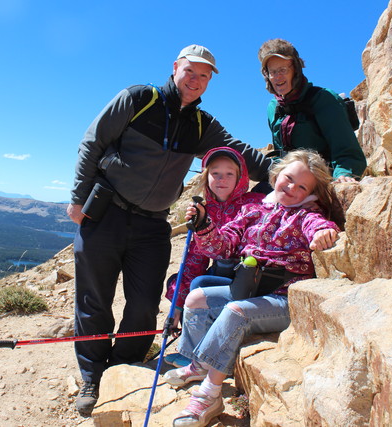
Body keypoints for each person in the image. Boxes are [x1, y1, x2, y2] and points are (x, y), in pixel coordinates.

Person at [67, 44, 272, 417]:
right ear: (175, 68)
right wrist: (79, 199)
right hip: (105, 214)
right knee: (93, 301)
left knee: (144, 306)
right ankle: (92, 377)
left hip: (152, 224)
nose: (195, 80)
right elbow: (92, 143)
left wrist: (283, 174)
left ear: (209, 82)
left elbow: (239, 153)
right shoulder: (138, 99)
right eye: (190, 71)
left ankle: (123, 367)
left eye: (204, 75)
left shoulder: (200, 125)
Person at [164, 149, 340, 427]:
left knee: (236, 311)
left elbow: (317, 224)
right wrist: (204, 225)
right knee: (197, 297)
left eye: (303, 186)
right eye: (288, 178)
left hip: (283, 297)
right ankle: (201, 364)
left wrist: (322, 232)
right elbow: (222, 246)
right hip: (252, 290)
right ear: (275, 176)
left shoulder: (306, 213)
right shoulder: (254, 209)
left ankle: (209, 395)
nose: (292, 187)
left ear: (312, 192)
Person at [163, 147, 264, 368]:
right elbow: (193, 260)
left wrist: (203, 225)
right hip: (227, 275)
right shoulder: (206, 209)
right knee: (197, 282)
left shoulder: (254, 204)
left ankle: (193, 357)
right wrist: (177, 305)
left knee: (200, 284)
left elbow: (231, 248)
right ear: (206, 176)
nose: (222, 179)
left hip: (250, 278)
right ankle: (197, 347)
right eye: (215, 173)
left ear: (240, 177)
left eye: (229, 173)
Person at [258, 38, 367, 183]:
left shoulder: (324, 99)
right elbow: (280, 154)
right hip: (290, 179)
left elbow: (347, 152)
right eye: (273, 72)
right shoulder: (273, 107)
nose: (278, 77)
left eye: (283, 70)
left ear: (296, 69)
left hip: (322, 178)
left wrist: (344, 175)